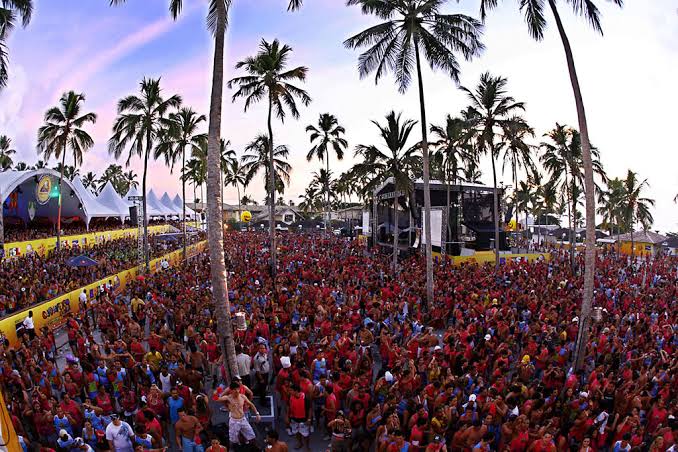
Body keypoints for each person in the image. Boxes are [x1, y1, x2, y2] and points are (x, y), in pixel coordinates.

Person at [217, 381, 260, 447]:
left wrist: (257, 414)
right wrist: (217, 391)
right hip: (234, 421)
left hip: (243, 419)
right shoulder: (228, 398)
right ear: (231, 390)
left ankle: (255, 449)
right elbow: (216, 399)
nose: (237, 391)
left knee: (252, 436)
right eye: (235, 389)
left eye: (238, 389)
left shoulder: (243, 397)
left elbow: (251, 405)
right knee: (233, 440)